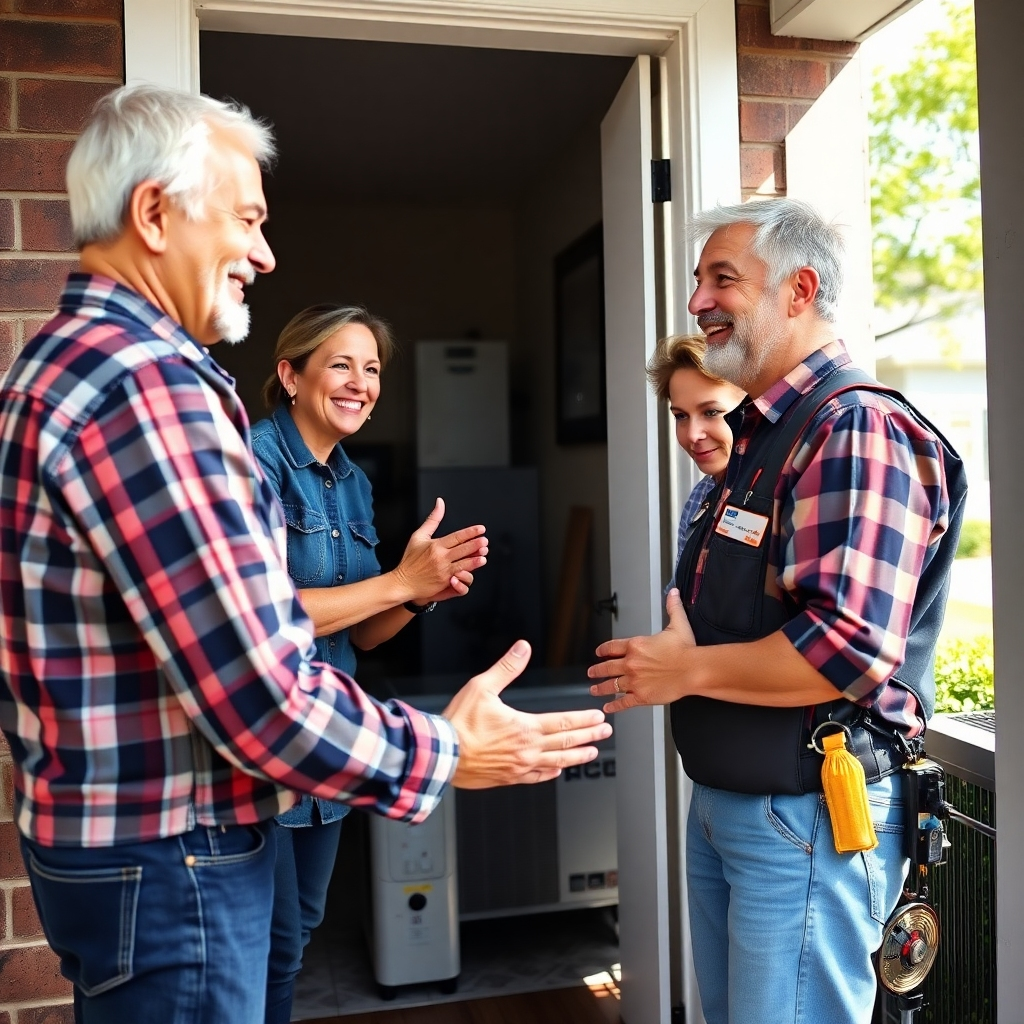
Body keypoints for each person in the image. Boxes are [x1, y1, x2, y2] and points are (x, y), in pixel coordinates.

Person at [0, 83, 611, 1024]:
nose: (263, 252)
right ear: (155, 213)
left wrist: (421, 591)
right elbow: (259, 678)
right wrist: (445, 749)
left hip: (133, 846)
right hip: (180, 857)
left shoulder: (65, 363)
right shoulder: (150, 388)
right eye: (247, 219)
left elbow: (331, 643)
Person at [589, 198, 966, 1024]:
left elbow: (847, 650)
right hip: (734, 804)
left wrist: (684, 670)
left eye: (723, 279)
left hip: (806, 816)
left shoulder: (856, 427)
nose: (697, 302)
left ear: (799, 290)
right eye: (698, 282)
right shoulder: (764, 441)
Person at [251, 304, 489, 1023]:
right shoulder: (254, 462)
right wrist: (397, 581)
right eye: (342, 365)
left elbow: (366, 634)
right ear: (291, 375)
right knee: (269, 940)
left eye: (373, 369)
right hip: (264, 741)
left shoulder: (352, 480)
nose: (361, 383)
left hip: (330, 739)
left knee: (295, 935)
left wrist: (422, 595)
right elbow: (259, 618)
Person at [645, 334, 744, 580]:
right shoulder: (700, 497)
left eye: (711, 412)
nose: (692, 435)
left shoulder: (781, 492)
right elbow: (678, 591)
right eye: (681, 416)